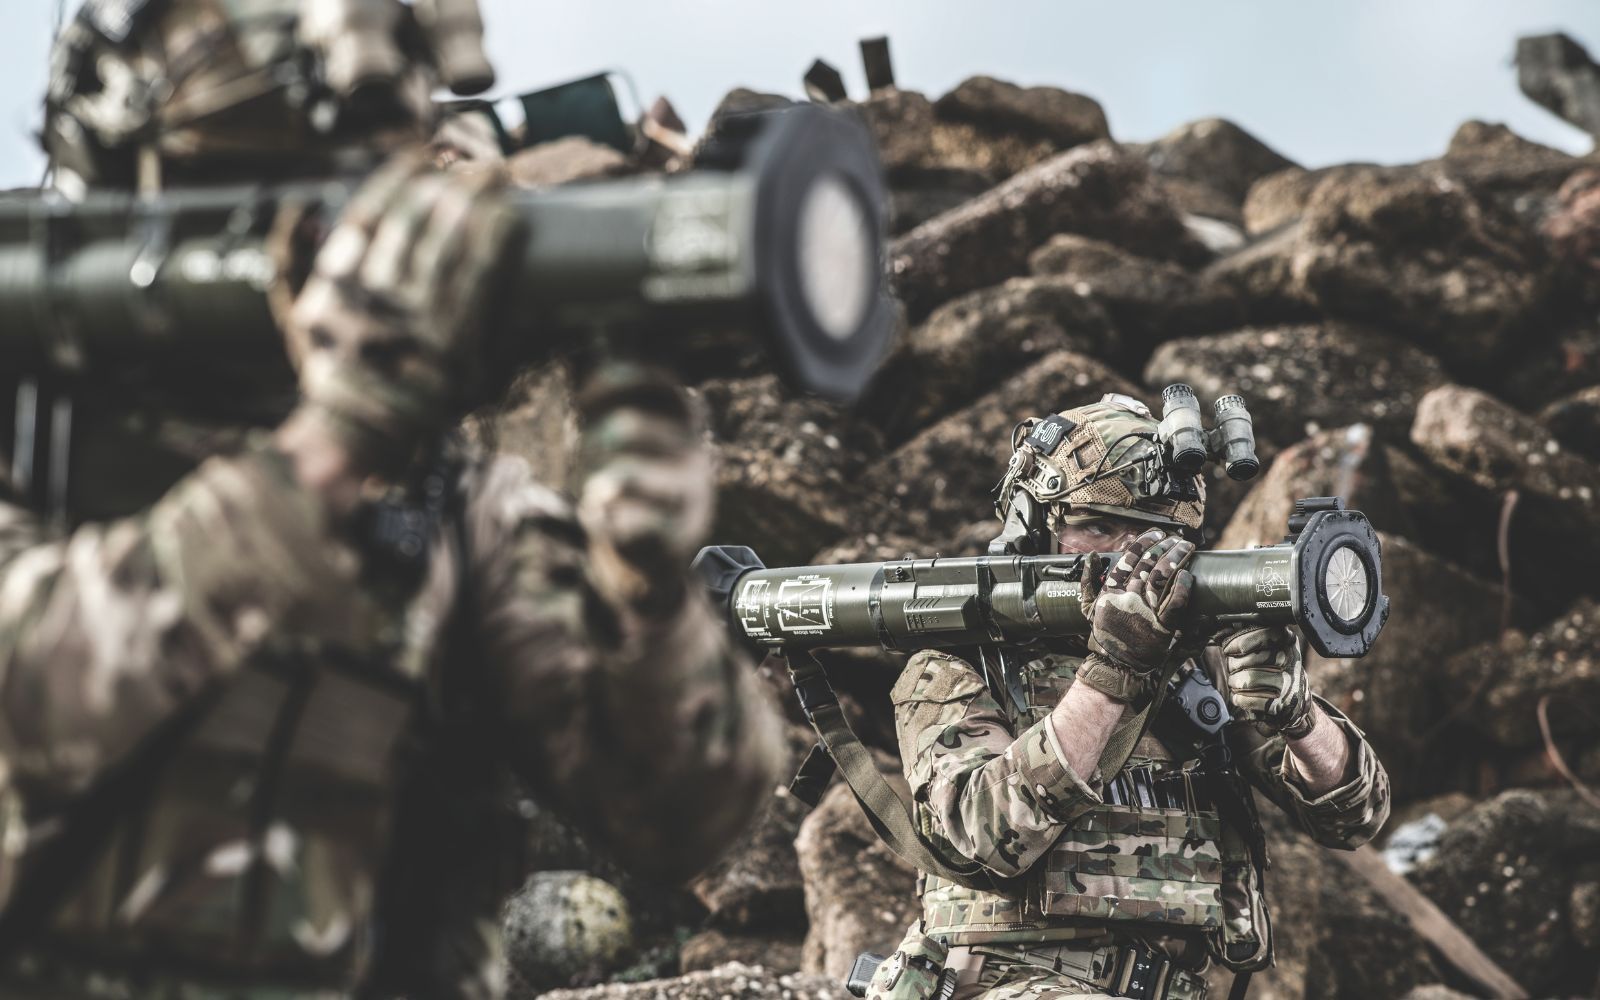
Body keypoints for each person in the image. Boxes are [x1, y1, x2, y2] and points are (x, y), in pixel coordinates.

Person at [0, 2, 784, 996]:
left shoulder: (445, 491)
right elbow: (32, 692)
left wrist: (646, 591)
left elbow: (684, 809)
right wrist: (325, 456)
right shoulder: (34, 395)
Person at [873, 394, 1390, 1000]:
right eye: (1096, 526)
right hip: (1005, 980)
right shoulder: (959, 664)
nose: (1131, 556)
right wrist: (1114, 671)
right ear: (1037, 527)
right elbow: (980, 841)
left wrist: (1296, 716)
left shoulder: (1195, 668)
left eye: (1158, 534)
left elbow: (1356, 816)